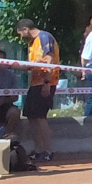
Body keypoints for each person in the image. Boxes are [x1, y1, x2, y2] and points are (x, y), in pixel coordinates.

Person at [15, 18, 60, 161]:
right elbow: (34, 64)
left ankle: (48, 150)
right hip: (34, 83)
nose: (21, 37)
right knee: (31, 116)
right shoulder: (32, 43)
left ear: (25, 29)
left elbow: (49, 60)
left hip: (45, 82)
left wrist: (47, 82)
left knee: (40, 117)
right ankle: (38, 149)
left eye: (20, 34)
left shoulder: (44, 37)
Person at [0, 61, 22, 140]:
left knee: (15, 112)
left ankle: (7, 136)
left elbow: (15, 97)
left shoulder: (11, 75)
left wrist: (2, 100)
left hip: (5, 105)